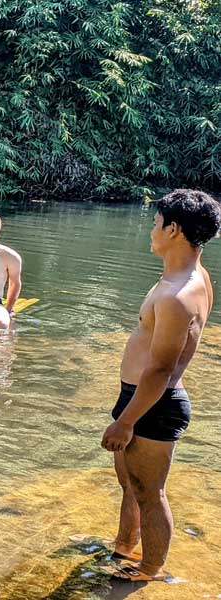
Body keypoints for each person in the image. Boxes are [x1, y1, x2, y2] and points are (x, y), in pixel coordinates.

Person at [101, 189, 220, 583]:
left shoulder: (178, 295)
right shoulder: (191, 277)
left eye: (155, 223)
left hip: (153, 402)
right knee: (129, 482)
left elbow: (160, 370)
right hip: (139, 398)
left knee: (150, 491)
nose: (150, 231)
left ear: (173, 229)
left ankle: (150, 568)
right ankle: (124, 545)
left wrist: (125, 421)